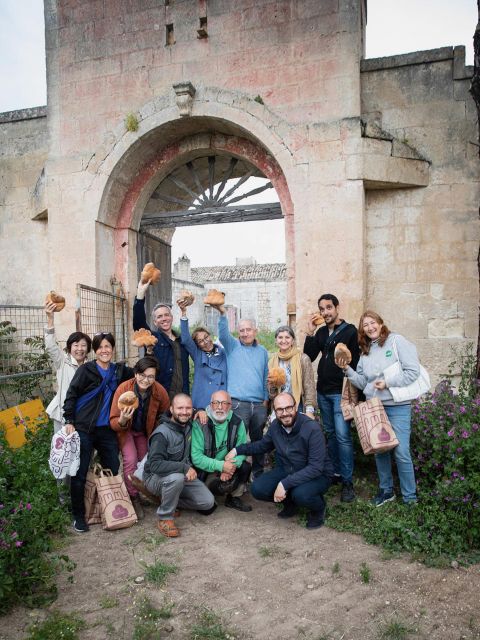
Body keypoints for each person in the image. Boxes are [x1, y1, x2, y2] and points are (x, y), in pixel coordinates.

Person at [341, 310, 419, 506]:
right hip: (375, 407)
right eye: (365, 325)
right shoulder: (365, 351)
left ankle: (410, 498)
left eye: (372, 323)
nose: (370, 327)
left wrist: (388, 383)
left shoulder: (396, 341)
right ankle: (386, 491)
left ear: (380, 323)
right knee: (380, 449)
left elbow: (413, 371)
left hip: (397, 406)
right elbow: (363, 382)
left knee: (401, 451)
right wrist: (346, 369)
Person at [226, 392, 333, 529]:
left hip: (318, 474)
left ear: (295, 407)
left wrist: (284, 484)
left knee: (301, 494)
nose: (285, 413)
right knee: (258, 489)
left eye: (288, 408)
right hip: (288, 469)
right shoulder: (276, 426)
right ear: (275, 411)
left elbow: (316, 467)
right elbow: (262, 445)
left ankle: (318, 509)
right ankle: (290, 503)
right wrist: (237, 450)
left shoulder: (312, 429)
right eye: (280, 410)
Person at [63, 332, 134, 533]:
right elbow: (71, 395)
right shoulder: (86, 370)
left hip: (107, 430)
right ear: (95, 350)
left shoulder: (119, 371)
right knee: (80, 471)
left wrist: (148, 348)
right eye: (100, 347)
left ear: (113, 349)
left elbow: (140, 373)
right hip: (84, 428)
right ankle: (78, 515)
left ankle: (108, 508)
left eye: (108, 347)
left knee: (112, 466)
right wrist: (69, 420)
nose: (104, 350)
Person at [303, 294, 360, 503]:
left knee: (343, 436)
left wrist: (356, 395)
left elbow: (356, 362)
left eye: (328, 308)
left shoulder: (350, 331)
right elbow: (308, 356)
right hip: (323, 392)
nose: (325, 312)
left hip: (340, 392)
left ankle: (347, 482)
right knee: (330, 433)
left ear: (337, 308)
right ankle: (335, 473)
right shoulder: (320, 332)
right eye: (322, 309)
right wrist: (309, 332)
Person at [143, 393, 216, 538]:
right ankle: (165, 518)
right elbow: (155, 465)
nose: (184, 412)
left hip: (181, 477)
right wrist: (184, 468)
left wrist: (200, 410)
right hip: (156, 478)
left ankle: (168, 500)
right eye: (180, 408)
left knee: (208, 503)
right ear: (171, 409)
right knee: (176, 478)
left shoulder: (187, 424)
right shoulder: (161, 434)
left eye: (188, 408)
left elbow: (197, 412)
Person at [210, 299, 269, 478]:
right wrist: (222, 314)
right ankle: (236, 475)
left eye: (248, 330)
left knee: (258, 441)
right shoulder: (232, 346)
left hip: (259, 405)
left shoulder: (263, 351)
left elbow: (266, 375)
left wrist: (266, 399)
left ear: (255, 331)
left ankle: (257, 473)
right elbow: (222, 333)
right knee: (237, 440)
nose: (245, 333)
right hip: (238, 404)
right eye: (241, 330)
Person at [110, 356, 170, 519]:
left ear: (155, 377)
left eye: (150, 376)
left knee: (144, 462)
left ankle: (144, 491)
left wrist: (158, 433)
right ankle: (133, 497)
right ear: (135, 373)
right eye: (142, 375)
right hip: (126, 431)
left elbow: (165, 415)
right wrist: (122, 420)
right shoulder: (124, 389)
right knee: (130, 459)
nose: (146, 379)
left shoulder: (159, 391)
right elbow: (113, 421)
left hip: (145, 432)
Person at [191, 390, 252, 512]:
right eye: (216, 403)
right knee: (207, 510)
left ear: (230, 406)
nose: (219, 407)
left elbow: (242, 449)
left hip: (228, 465)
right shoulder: (200, 423)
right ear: (210, 404)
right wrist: (221, 466)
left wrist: (230, 467)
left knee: (245, 466)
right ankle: (209, 494)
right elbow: (196, 457)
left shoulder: (237, 422)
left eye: (224, 403)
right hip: (206, 470)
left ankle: (233, 497)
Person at [133, 277, 189, 398]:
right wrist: (140, 295)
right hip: (160, 397)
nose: (164, 318)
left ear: (171, 317)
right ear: (155, 322)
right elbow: (138, 323)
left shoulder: (182, 341)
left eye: (166, 315)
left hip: (181, 398)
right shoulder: (153, 338)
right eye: (159, 317)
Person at [44, 301, 92, 434]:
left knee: (82, 449)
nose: (79, 349)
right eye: (76, 345)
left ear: (88, 349)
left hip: (84, 415)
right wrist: (50, 319)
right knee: (62, 451)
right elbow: (50, 346)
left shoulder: (91, 367)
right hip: (63, 414)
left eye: (83, 345)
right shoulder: (62, 361)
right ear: (70, 347)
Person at [177, 300, 227, 412]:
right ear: (197, 345)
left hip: (221, 402)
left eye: (206, 337)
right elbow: (185, 339)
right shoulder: (198, 355)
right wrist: (183, 313)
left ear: (210, 336)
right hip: (202, 404)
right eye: (200, 341)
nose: (205, 342)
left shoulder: (224, 353)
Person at [268, 325, 316, 420]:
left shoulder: (303, 359)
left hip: (298, 405)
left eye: (287, 337)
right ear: (276, 340)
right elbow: (271, 393)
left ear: (293, 340)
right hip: (280, 406)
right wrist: (272, 385)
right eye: (280, 337)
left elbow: (309, 386)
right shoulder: (272, 362)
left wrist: (309, 410)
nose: (283, 340)